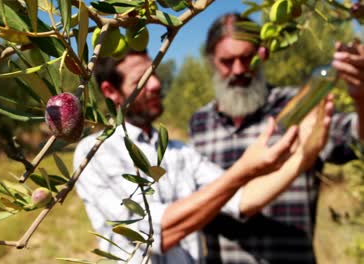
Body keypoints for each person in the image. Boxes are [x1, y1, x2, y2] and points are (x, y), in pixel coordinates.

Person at [73, 49, 333, 263]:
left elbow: (243, 200)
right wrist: (242, 170)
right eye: (141, 79)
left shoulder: (179, 152)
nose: (155, 83)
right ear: (110, 91)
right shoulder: (95, 151)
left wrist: (303, 157)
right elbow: (153, 232)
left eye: (154, 72)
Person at [188, 13, 364, 264]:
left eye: (246, 58)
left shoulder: (298, 104)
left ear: (263, 54)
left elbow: (357, 138)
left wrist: (361, 97)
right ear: (211, 61)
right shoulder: (199, 123)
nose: (238, 70)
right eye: (227, 61)